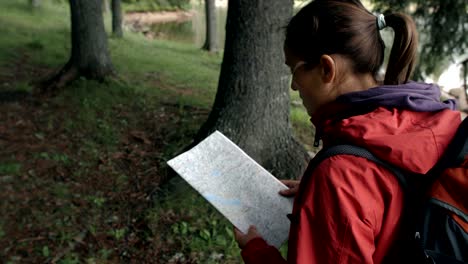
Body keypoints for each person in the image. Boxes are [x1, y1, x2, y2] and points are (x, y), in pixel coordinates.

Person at [233, 0, 462, 263]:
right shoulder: (429, 119)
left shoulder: (340, 177)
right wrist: (318, 195)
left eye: (293, 70)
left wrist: (256, 250)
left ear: (326, 69)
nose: (295, 86)